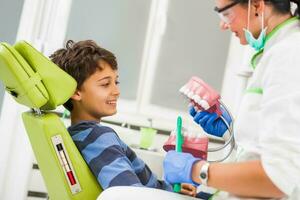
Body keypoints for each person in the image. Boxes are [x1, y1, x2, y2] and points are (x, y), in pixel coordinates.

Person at [164, 0, 300, 199]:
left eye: (226, 14)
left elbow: (279, 176)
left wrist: (197, 170)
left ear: (257, 6)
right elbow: (267, 148)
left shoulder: (289, 54)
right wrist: (232, 131)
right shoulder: (276, 52)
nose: (223, 25)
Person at [50, 40, 197, 197]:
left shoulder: (76, 135)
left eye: (116, 82)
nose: (117, 91)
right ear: (76, 92)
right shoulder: (98, 137)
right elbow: (128, 195)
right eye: (106, 84)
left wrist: (166, 189)